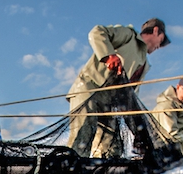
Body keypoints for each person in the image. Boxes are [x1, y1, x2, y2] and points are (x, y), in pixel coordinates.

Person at [67, 18, 169, 159]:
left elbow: (131, 96)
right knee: (83, 135)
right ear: (156, 31)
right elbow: (97, 32)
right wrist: (108, 56)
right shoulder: (129, 35)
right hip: (88, 89)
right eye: (161, 40)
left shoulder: (144, 64)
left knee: (112, 147)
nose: (160, 46)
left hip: (109, 105)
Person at [153, 74, 183, 157]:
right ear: (178, 87)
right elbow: (171, 135)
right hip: (164, 152)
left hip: (179, 150)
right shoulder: (166, 106)